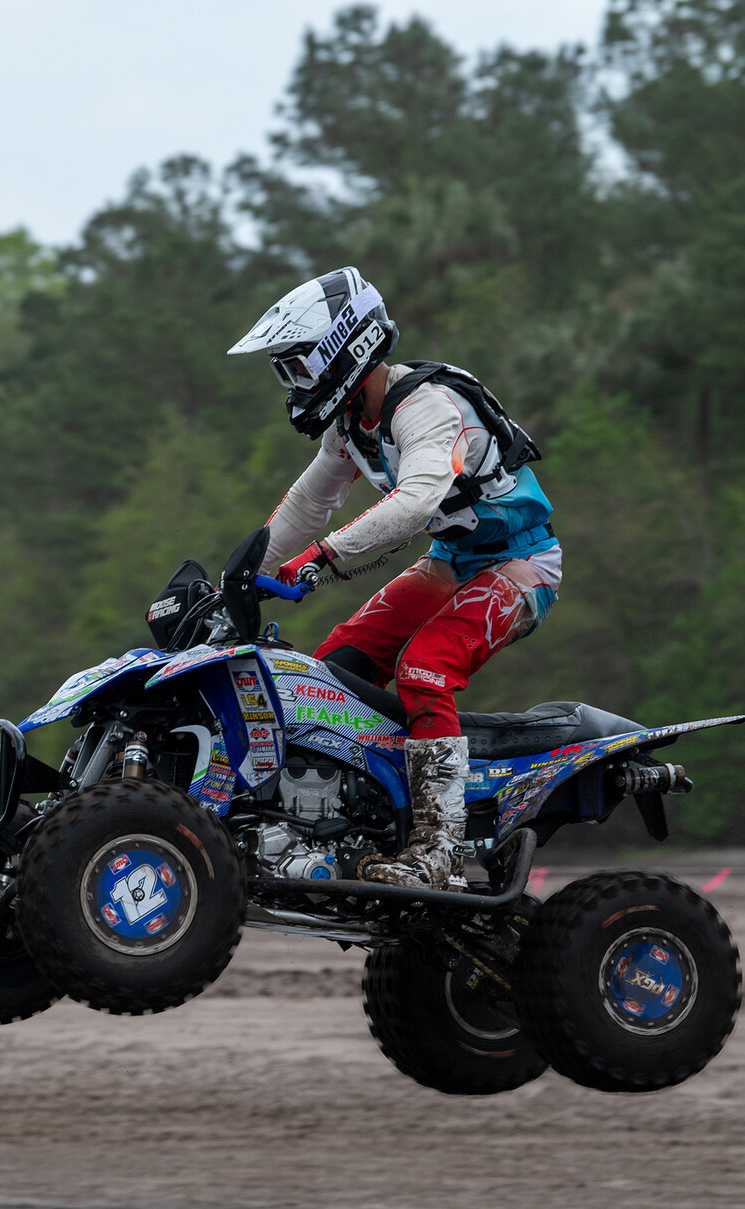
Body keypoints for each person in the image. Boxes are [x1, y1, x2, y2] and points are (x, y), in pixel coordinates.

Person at [228, 266, 559, 888]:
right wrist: (240, 578)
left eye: (298, 366)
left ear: (341, 349)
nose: (294, 384)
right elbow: (307, 505)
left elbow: (414, 503)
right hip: (451, 563)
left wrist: (324, 559)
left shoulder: (428, 408)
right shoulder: (350, 423)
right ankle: (353, 822)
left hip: (520, 564)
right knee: (329, 675)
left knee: (425, 667)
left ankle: (438, 848)